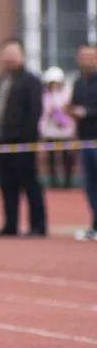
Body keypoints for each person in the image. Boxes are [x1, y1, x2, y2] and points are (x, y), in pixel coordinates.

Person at [0, 39, 46, 238]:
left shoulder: (31, 80)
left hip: (22, 143)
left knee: (30, 183)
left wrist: (28, 139)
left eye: (13, 53)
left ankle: (38, 225)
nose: (9, 58)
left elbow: (35, 112)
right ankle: (10, 224)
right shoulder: (2, 80)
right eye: (5, 54)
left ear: (22, 55)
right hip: (2, 142)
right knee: (7, 185)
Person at [71, 44, 97, 241]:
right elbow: (73, 105)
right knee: (89, 185)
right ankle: (95, 224)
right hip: (84, 141)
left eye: (90, 57)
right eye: (83, 57)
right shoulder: (79, 82)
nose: (86, 60)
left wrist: (87, 112)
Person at [40, 66, 75, 189]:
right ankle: (53, 181)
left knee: (67, 156)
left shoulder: (68, 93)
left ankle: (68, 181)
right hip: (50, 131)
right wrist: (42, 130)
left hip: (65, 130)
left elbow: (70, 110)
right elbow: (43, 114)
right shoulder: (45, 96)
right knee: (51, 157)